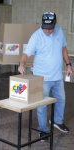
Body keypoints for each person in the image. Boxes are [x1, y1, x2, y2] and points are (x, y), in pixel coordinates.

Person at [18, 12, 73, 141]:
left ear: (56, 24)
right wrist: (21, 64)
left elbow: (64, 49)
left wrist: (68, 65)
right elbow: (26, 54)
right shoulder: (36, 36)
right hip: (42, 78)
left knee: (61, 100)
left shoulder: (59, 32)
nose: (47, 31)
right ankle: (42, 129)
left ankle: (57, 121)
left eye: (50, 28)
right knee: (41, 105)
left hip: (57, 77)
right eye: (45, 28)